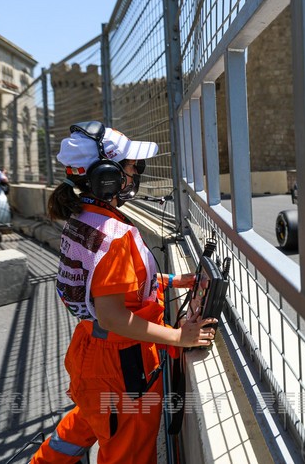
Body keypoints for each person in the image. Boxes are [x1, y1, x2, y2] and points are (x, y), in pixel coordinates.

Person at [32, 122, 216, 463]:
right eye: (133, 166)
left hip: (92, 355)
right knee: (127, 451)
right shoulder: (115, 235)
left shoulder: (85, 217)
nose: (138, 172)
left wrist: (172, 280)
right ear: (107, 177)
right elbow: (114, 314)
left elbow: (111, 286)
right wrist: (180, 338)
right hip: (120, 367)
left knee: (89, 420)